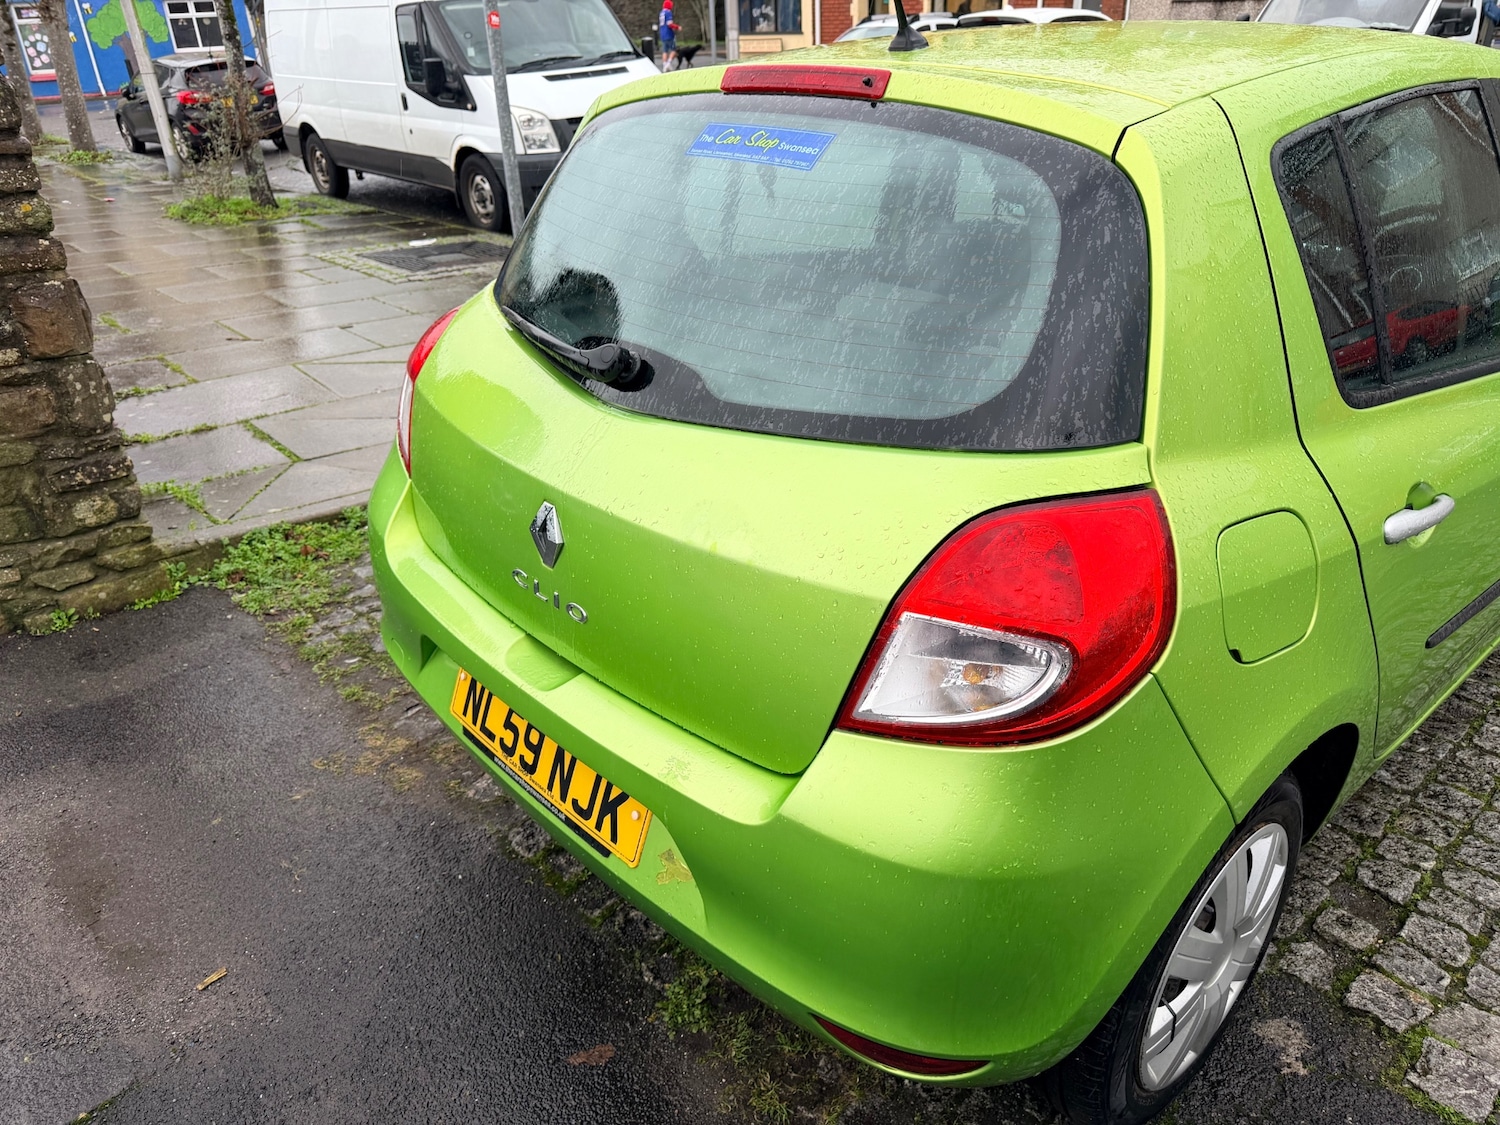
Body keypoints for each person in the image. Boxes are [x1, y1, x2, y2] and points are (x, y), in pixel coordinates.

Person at [659, 0, 681, 70]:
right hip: (669, 34)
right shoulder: (668, 12)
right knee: (673, 49)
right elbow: (669, 24)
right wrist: (677, 27)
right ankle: (668, 63)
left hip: (662, 34)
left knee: (665, 51)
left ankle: (664, 65)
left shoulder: (661, 13)